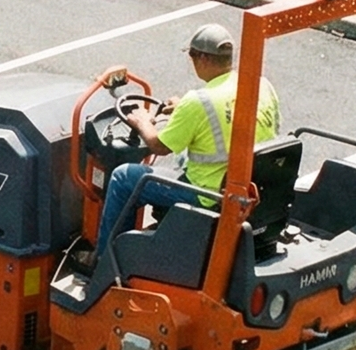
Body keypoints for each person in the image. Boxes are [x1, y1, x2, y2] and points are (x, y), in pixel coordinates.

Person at [89, 22, 282, 264]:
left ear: (202, 58)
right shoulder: (260, 86)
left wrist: (141, 121)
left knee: (123, 178)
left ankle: (107, 260)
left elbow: (159, 145)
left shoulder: (199, 102)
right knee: (183, 157)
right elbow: (234, 119)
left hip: (210, 194)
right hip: (252, 184)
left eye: (192, 56)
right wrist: (183, 109)